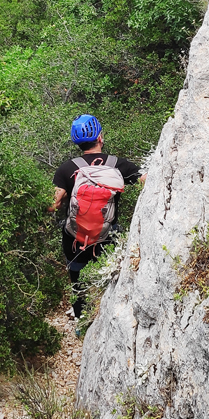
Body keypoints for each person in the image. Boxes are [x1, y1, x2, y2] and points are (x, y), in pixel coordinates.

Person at [49, 114, 145, 329]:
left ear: (77, 143)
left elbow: (52, 205)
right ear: (100, 136)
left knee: (78, 280)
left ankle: (82, 322)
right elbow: (146, 181)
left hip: (75, 238)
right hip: (107, 235)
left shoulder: (66, 169)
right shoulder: (118, 165)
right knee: (111, 278)